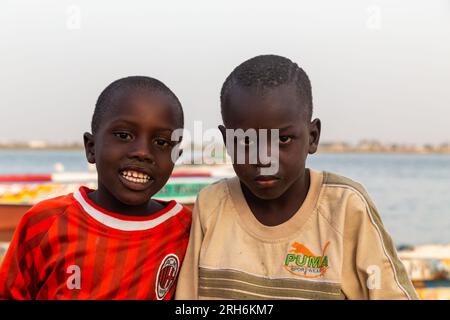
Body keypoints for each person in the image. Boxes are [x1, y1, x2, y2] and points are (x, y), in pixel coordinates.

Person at [176, 55, 418, 300]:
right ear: (228, 142)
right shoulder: (212, 205)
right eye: (246, 141)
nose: (264, 159)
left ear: (312, 137)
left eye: (282, 140)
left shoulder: (345, 207)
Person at [0, 76, 191, 299]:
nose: (143, 152)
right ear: (91, 147)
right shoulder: (44, 222)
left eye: (161, 143)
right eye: (124, 135)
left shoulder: (187, 230)